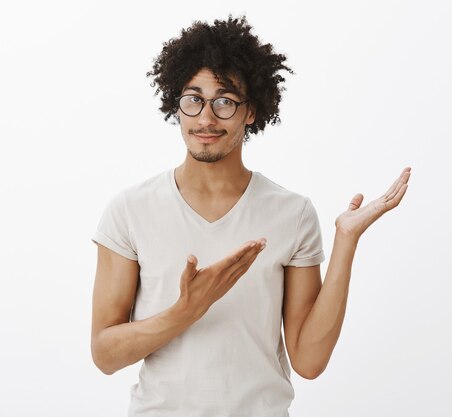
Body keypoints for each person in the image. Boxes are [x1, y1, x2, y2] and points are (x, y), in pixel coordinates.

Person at [90, 14, 411, 417]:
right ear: (177, 105)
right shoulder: (130, 210)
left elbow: (309, 362)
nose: (206, 118)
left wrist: (346, 242)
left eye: (224, 101)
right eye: (194, 99)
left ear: (251, 111)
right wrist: (186, 311)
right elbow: (105, 355)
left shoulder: (292, 213)